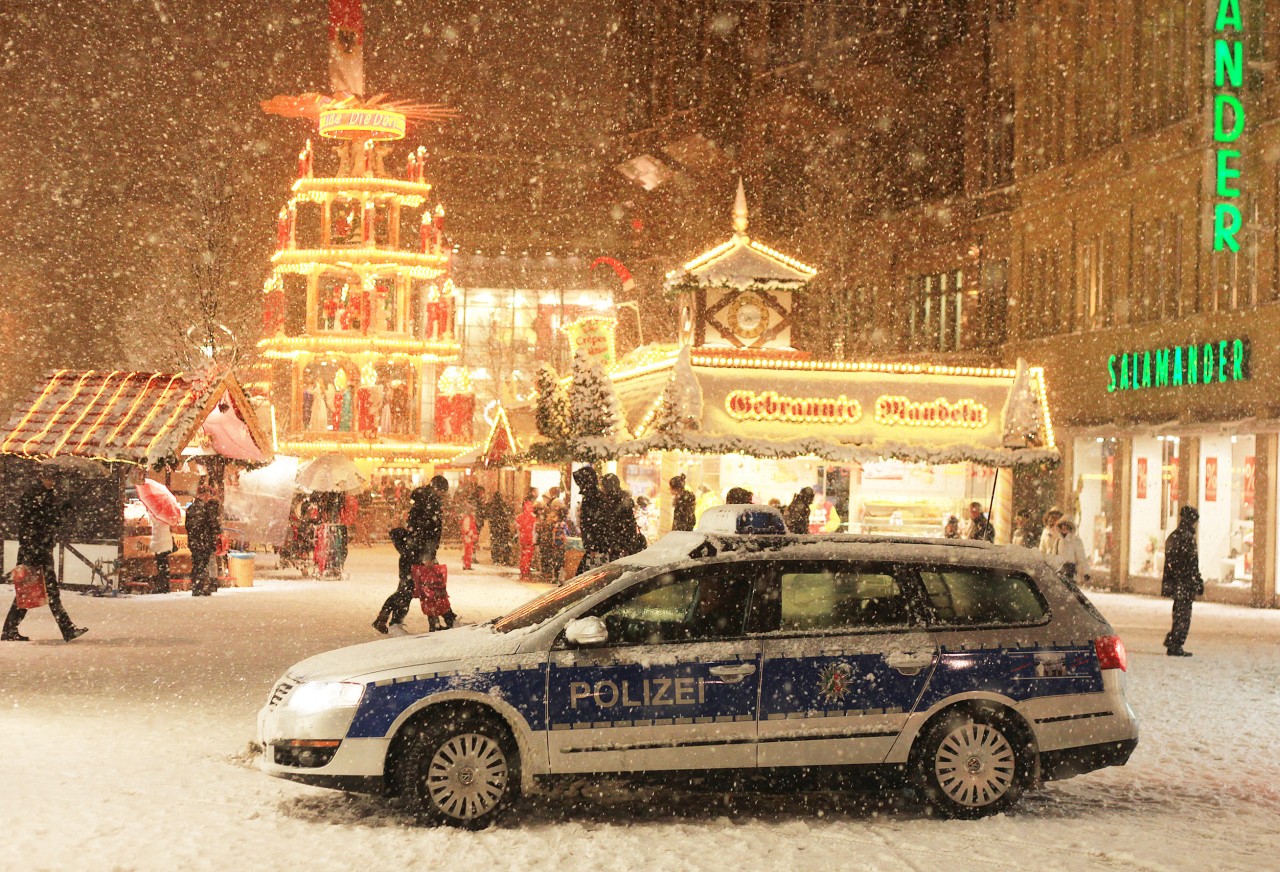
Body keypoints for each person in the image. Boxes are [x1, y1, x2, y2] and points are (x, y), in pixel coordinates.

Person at [2, 474, 86, 642]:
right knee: (46, 591)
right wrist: (64, 511)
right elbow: (46, 522)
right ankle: (66, 628)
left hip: (36, 550)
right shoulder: (36, 497)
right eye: (50, 479)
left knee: (33, 592)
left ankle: (10, 629)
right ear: (42, 479)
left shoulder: (41, 496)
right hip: (36, 552)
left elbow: (44, 522)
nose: (53, 482)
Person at [374, 476, 449, 634]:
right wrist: (428, 554)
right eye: (443, 492)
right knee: (424, 588)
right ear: (438, 489)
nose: (444, 496)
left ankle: (388, 618)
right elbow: (429, 534)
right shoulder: (430, 504)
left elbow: (422, 531)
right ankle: (391, 620)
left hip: (412, 552)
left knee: (415, 589)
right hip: (418, 554)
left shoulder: (423, 502)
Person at [1161, 505, 1204, 657]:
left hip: (1178, 583)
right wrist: (1196, 580)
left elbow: (1171, 563)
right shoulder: (1186, 538)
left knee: (1179, 614)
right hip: (1184, 584)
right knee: (1183, 615)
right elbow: (1191, 564)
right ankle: (1175, 643)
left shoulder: (1175, 536)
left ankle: (1173, 641)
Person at [185, 484, 222, 597]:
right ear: (204, 494)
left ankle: (197, 586)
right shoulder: (206, 508)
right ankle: (200, 587)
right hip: (204, 541)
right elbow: (213, 525)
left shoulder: (190, 508)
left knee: (196, 564)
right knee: (203, 564)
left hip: (194, 541)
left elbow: (187, 526)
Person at [573, 466, 609, 571]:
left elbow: (595, 524)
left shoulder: (592, 498)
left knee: (590, 577)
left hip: (596, 549)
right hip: (596, 547)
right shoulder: (594, 497)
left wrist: (593, 546)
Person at [147, 503, 174, 595]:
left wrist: (149, 511)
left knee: (161, 565)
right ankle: (165, 585)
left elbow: (153, 521)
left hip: (159, 543)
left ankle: (162, 586)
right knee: (164, 564)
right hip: (165, 542)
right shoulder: (167, 515)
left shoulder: (157, 515)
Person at [1053, 518, 1090, 584]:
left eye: (1066, 527)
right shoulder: (1057, 541)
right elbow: (1053, 557)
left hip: (1071, 572)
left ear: (1070, 528)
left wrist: (1086, 572)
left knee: (1070, 592)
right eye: (1062, 526)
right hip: (1059, 572)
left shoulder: (1076, 541)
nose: (1064, 529)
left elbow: (1082, 557)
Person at [486, 491, 514, 565]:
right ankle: (505, 559)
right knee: (504, 543)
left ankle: (496, 559)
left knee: (495, 543)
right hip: (503, 527)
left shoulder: (492, 506)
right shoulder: (503, 505)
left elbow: (489, 516)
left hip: (495, 528)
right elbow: (508, 514)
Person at [516, 500, 538, 579]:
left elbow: (517, 528)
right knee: (527, 556)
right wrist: (534, 540)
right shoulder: (533, 517)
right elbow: (534, 530)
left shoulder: (520, 517)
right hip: (529, 538)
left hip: (523, 538)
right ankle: (525, 570)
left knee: (523, 555)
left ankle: (523, 570)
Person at [459, 504, 479, 571]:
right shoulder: (468, 518)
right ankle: (467, 565)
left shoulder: (469, 518)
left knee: (469, 551)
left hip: (469, 536)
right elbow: (466, 528)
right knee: (468, 551)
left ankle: (467, 565)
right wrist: (471, 534)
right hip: (468, 537)